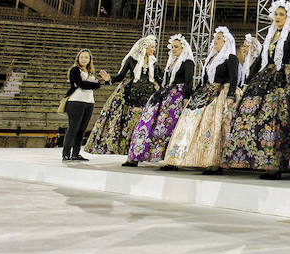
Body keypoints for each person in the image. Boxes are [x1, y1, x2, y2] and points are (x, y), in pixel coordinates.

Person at [222, 1, 290, 179]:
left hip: (281, 78)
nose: (277, 18)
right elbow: (260, 59)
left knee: (275, 119)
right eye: (276, 14)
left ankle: (274, 165)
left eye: (281, 14)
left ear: (288, 17)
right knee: (250, 115)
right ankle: (255, 159)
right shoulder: (270, 35)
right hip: (265, 76)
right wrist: (247, 82)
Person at [163, 27, 238, 174]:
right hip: (205, 94)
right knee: (188, 123)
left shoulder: (230, 57)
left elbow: (234, 78)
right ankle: (178, 158)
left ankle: (213, 162)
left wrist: (230, 95)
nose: (215, 41)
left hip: (220, 94)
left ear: (226, 41)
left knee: (212, 127)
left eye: (219, 38)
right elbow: (204, 80)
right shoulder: (211, 59)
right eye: (215, 38)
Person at [124, 34, 194, 166]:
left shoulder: (188, 62)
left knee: (168, 126)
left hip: (177, 97)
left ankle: (171, 160)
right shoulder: (171, 62)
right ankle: (137, 154)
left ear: (183, 48)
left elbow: (189, 81)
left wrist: (186, 98)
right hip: (166, 94)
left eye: (176, 47)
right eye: (172, 47)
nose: (173, 49)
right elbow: (164, 80)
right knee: (148, 119)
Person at [85, 36, 160, 155]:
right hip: (131, 93)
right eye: (151, 47)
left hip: (149, 94)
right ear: (144, 47)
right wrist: (109, 80)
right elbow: (121, 76)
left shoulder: (154, 62)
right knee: (129, 120)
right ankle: (126, 147)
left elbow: (158, 78)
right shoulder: (131, 59)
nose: (153, 50)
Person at [62, 49, 104, 161]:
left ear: (89, 60)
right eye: (82, 57)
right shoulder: (74, 70)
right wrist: (93, 84)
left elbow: (98, 85)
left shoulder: (90, 72)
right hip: (76, 101)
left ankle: (75, 153)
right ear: (78, 58)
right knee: (73, 128)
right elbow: (81, 84)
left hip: (89, 102)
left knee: (81, 129)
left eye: (86, 57)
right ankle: (66, 153)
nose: (84, 59)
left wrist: (92, 84)